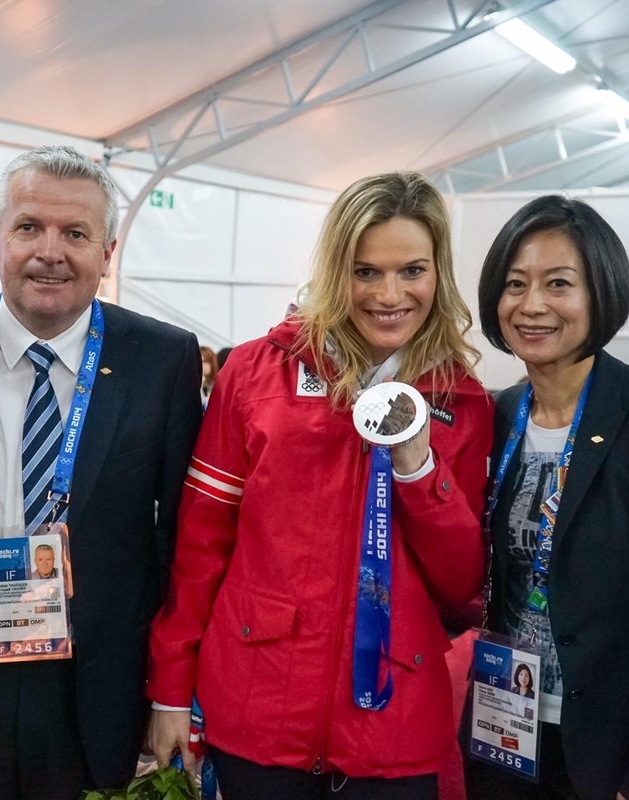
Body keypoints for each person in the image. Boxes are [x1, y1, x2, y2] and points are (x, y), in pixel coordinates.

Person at [146, 172, 493, 799]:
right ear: (337, 272)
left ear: (438, 273)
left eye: (412, 270)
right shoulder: (255, 373)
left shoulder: (461, 402)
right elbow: (199, 548)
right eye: (366, 272)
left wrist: (418, 469)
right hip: (259, 707)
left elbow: (461, 584)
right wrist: (171, 687)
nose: (390, 294)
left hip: (395, 725)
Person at [0, 145, 203, 800]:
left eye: (76, 233)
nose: (50, 251)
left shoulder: (161, 359)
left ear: (107, 252)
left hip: (93, 693)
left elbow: (182, 539)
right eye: (30, 227)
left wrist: (172, 691)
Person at [468, 195, 629, 800]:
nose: (532, 305)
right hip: (507, 729)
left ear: (601, 291)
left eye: (559, 283)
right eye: (514, 284)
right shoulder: (500, 414)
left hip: (616, 749)